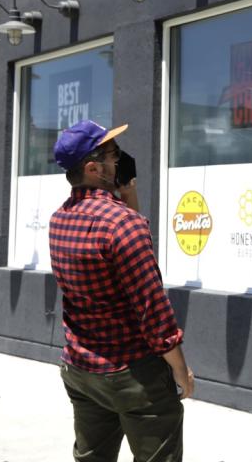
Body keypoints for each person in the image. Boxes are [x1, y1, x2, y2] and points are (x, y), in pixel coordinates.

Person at [49, 120, 193, 462]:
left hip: (81, 370)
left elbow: (119, 257)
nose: (121, 160)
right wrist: (179, 369)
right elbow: (153, 309)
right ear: (94, 167)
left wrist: (127, 196)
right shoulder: (123, 224)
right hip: (132, 376)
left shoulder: (59, 219)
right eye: (114, 154)